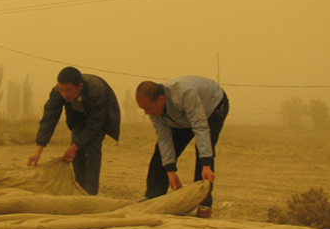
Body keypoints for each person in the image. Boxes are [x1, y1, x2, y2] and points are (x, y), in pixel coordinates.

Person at [135, 76, 229, 218]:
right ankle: (153, 196)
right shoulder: (154, 109)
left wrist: (206, 164)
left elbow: (200, 127)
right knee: (160, 151)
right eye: (143, 109)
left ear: (161, 100)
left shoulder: (185, 94)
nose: (146, 113)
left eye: (148, 108)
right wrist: (170, 171)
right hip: (180, 116)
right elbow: (164, 138)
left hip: (212, 107)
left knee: (202, 152)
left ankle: (203, 203)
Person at [28, 66, 120, 195]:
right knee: (75, 150)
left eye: (69, 90)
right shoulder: (58, 93)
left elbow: (95, 125)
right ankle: (79, 187)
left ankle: (90, 193)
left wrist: (75, 147)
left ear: (80, 86)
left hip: (100, 117)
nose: (65, 94)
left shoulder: (96, 92)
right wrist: (38, 150)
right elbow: (49, 119)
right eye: (62, 90)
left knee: (92, 148)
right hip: (77, 116)